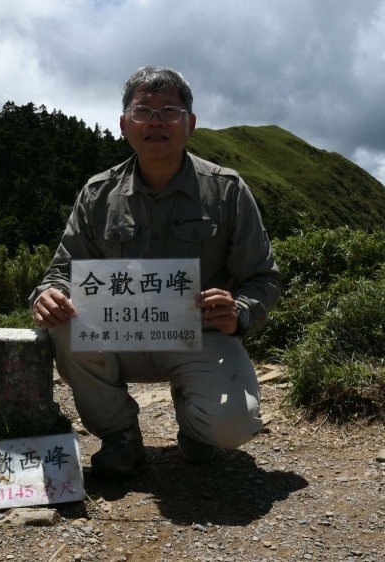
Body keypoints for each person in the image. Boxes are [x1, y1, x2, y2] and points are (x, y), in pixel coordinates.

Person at [30, 66, 281, 477]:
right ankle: (120, 436)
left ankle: (198, 429)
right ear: (125, 125)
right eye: (143, 111)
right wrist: (48, 295)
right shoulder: (97, 193)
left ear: (191, 124)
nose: (157, 121)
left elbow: (263, 276)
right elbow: (63, 268)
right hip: (117, 335)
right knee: (64, 324)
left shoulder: (228, 191)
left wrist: (239, 310)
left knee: (232, 426)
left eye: (170, 111)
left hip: (200, 336)